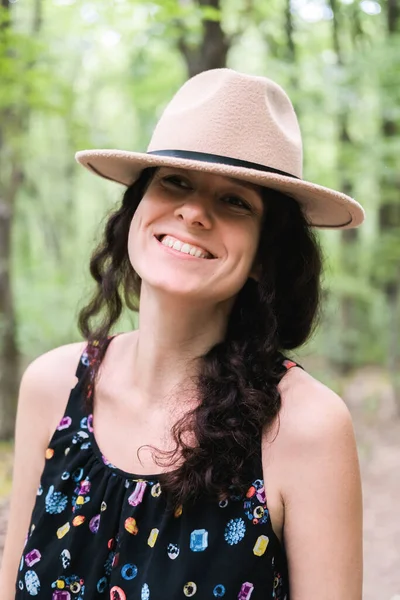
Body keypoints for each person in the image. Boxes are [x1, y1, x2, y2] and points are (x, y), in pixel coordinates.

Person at [0, 68, 364, 600]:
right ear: (135, 213)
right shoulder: (51, 388)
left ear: (265, 254)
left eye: (235, 201)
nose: (194, 212)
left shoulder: (306, 428)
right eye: (175, 182)